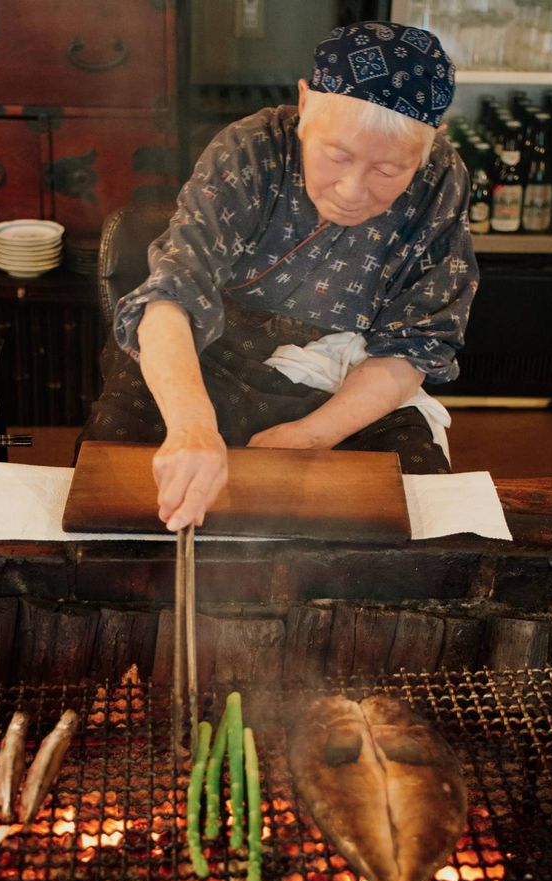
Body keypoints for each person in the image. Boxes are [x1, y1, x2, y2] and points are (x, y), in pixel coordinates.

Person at [80, 21, 478, 531]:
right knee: (116, 495)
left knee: (410, 517)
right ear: (306, 105)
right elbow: (170, 298)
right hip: (211, 352)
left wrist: (310, 437)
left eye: (386, 171)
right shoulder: (252, 149)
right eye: (337, 156)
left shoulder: (441, 177)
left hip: (348, 376)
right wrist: (193, 427)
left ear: (430, 145)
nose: (352, 190)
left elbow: (416, 343)